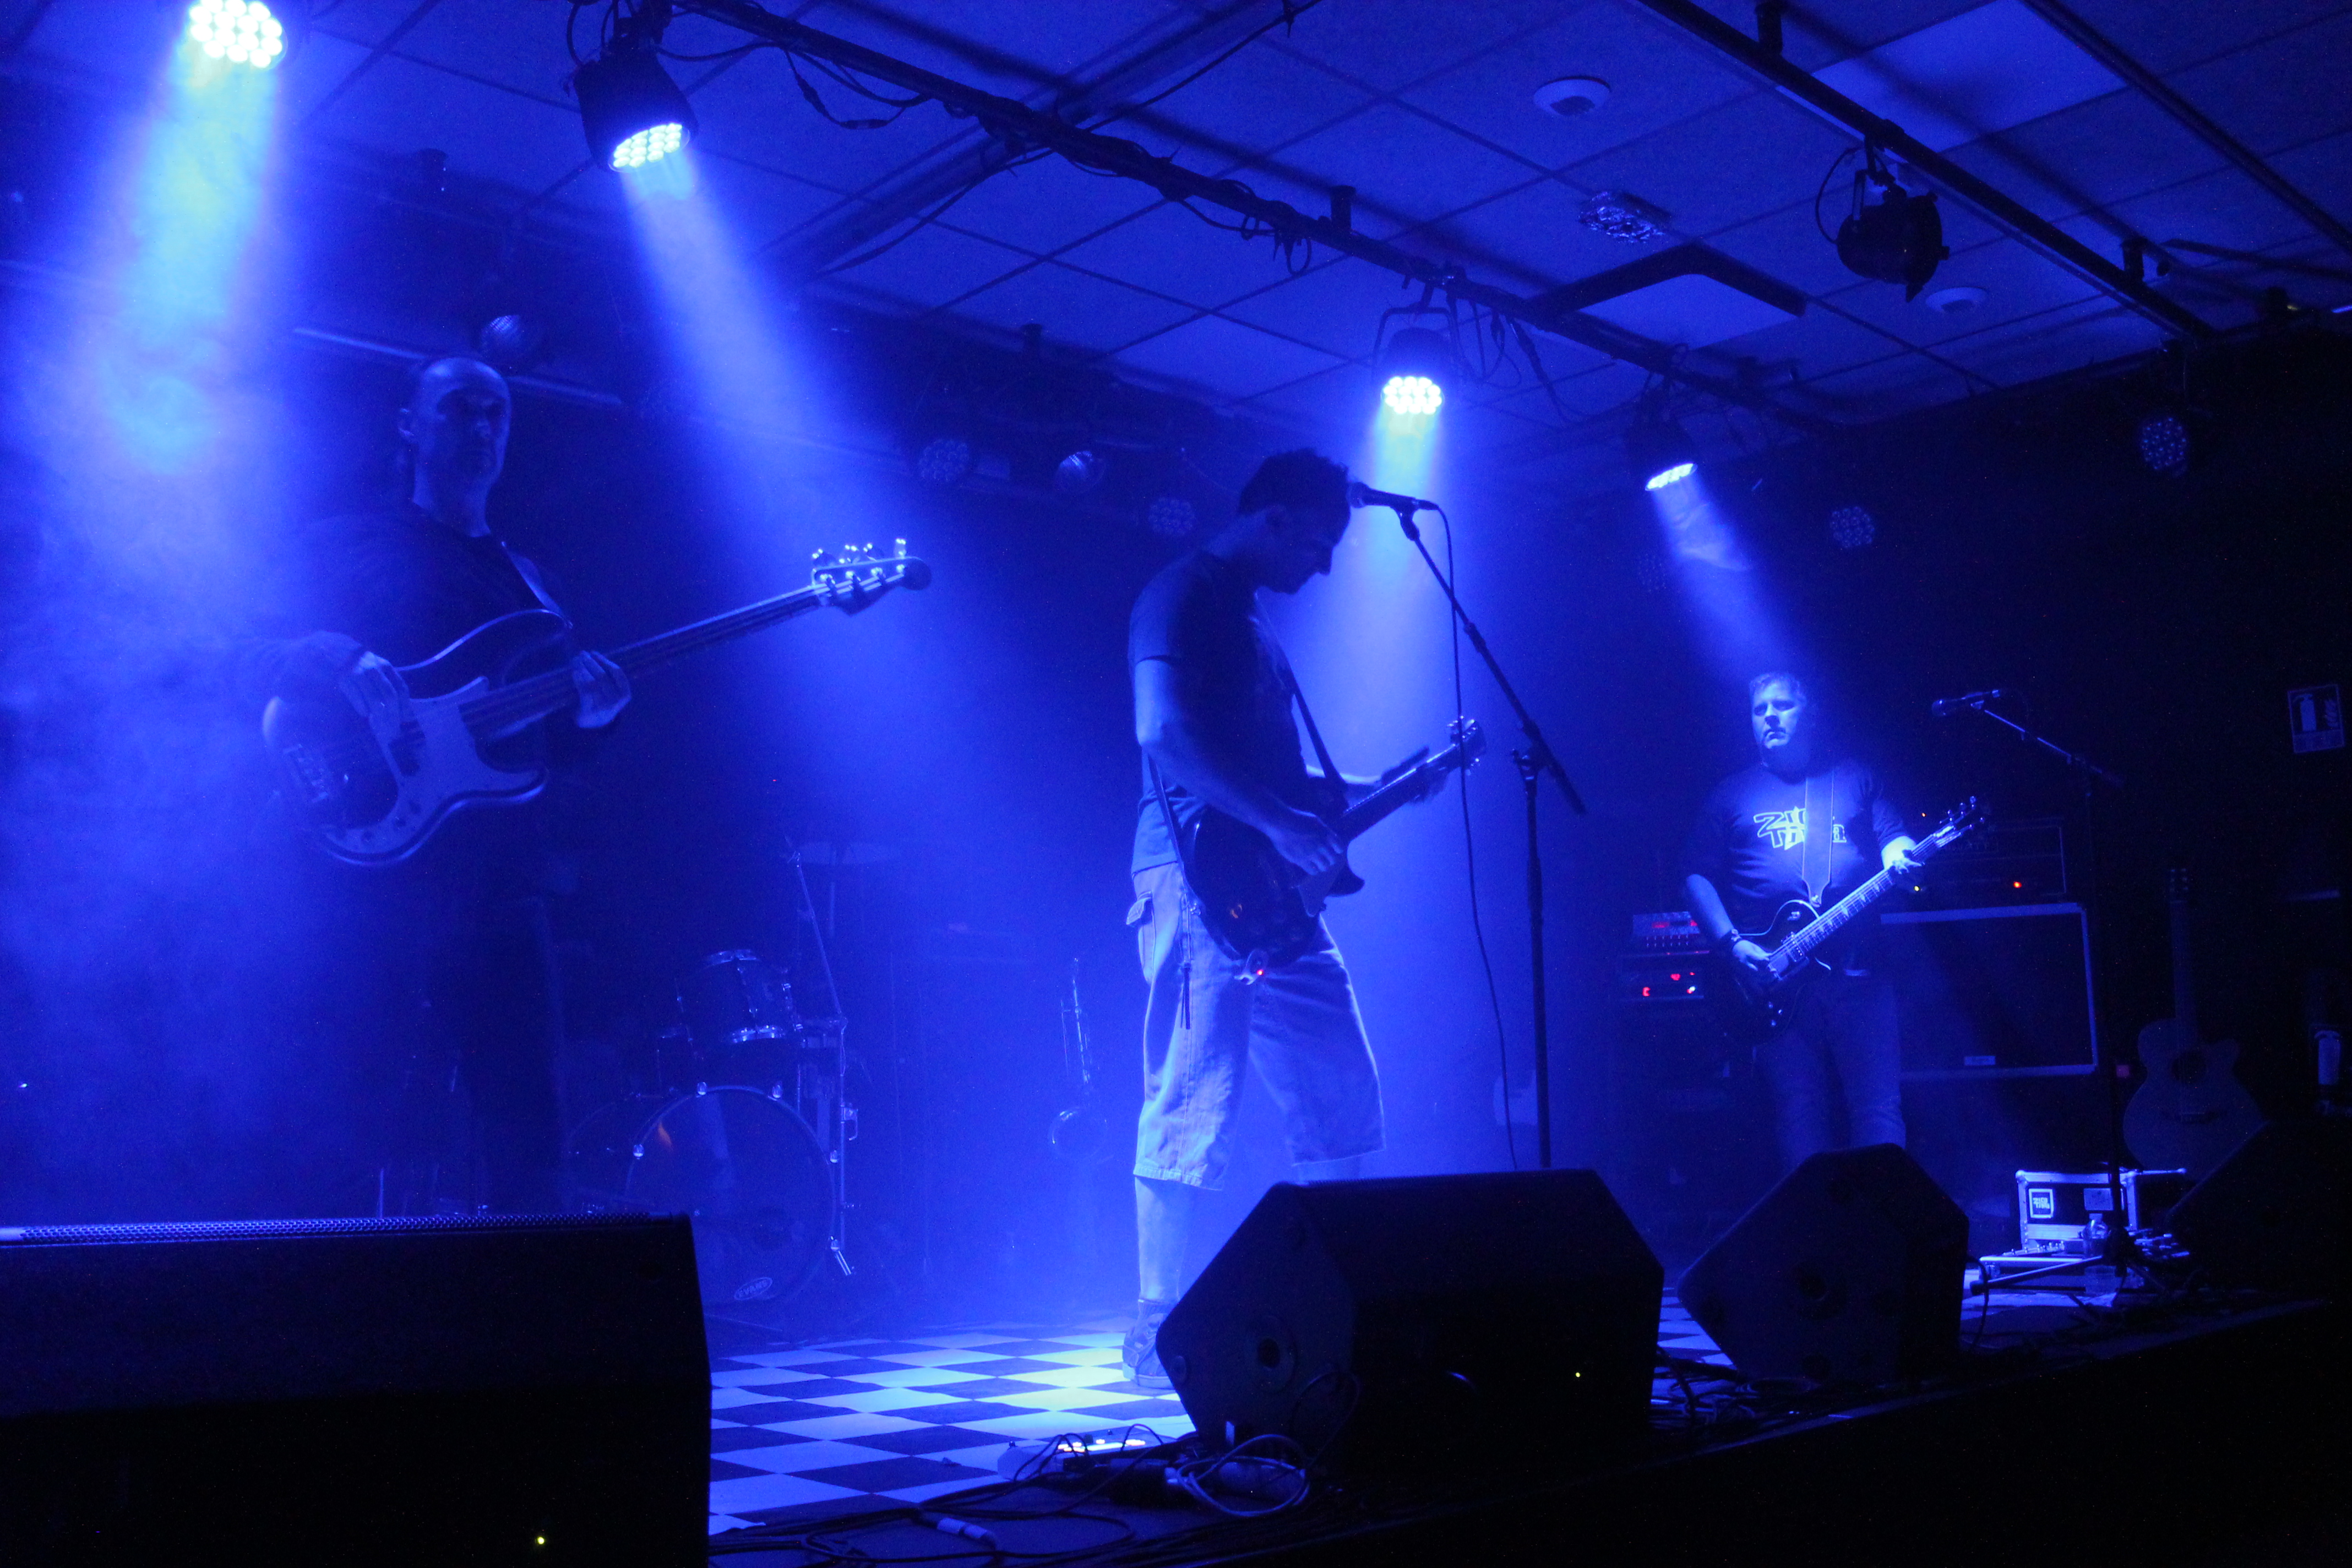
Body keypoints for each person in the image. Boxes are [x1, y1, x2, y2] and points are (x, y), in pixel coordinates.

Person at [251, 356, 629, 1212]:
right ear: (409, 425)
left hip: (501, 888)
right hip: (371, 884)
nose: (482, 426)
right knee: (351, 1127)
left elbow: (544, 755)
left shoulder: (536, 586)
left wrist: (595, 719)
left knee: (530, 1138)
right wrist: (333, 655)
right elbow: (238, 654)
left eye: (498, 412)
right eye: (460, 407)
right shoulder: (341, 546)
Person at [1121, 448, 1431, 1389]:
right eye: (1320, 544)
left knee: (1341, 1083)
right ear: (1277, 516)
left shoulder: (1255, 624)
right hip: (1192, 872)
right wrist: (1278, 824)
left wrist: (1395, 783)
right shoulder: (1182, 593)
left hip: (1272, 891)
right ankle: (1158, 1325)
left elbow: (1293, 789)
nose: (1325, 567)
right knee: (1192, 1095)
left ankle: (1340, 1295)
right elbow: (1161, 731)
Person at [1684, 672, 1921, 1172]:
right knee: (1799, 1111)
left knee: (1877, 1108)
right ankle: (1813, 1219)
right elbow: (1695, 877)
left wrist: (1902, 857)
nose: (1770, 716)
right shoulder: (1731, 794)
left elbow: (1894, 838)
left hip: (1859, 974)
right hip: (1773, 982)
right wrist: (1731, 945)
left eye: (1783, 705)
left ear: (1810, 714)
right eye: (1759, 710)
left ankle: (1887, 1213)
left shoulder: (1854, 778)